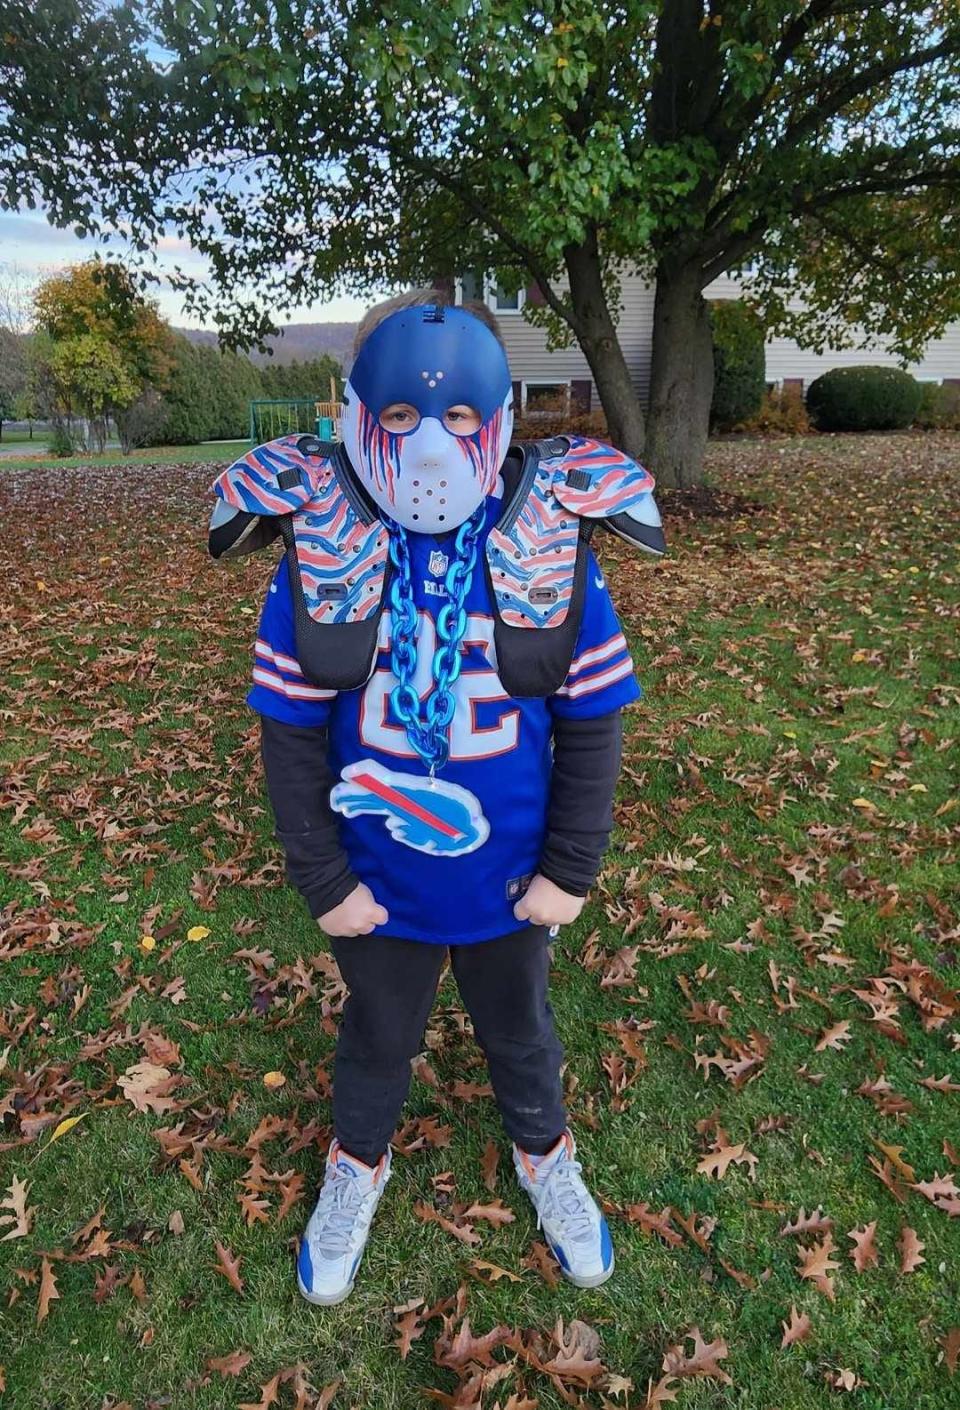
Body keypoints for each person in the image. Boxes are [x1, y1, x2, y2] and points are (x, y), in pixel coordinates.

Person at [207, 288, 665, 1307]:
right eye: (403, 418)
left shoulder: (550, 541)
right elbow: (287, 735)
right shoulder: (317, 547)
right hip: (378, 886)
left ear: (495, 416)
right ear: (355, 413)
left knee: (523, 1030)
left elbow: (593, 720)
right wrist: (324, 881)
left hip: (509, 883)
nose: (428, 446)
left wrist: (569, 871)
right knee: (376, 1034)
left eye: (458, 415)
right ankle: (356, 1164)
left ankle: (545, 1154)